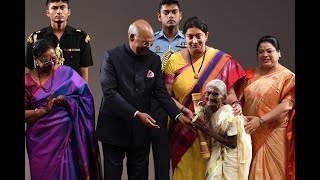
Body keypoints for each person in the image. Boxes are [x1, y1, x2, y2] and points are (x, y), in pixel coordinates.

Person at [95, 19, 193, 180]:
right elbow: (110, 93)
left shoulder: (153, 60)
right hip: (114, 129)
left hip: (141, 132)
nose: (148, 47)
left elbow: (161, 92)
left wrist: (178, 115)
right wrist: (136, 113)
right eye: (145, 43)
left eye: (151, 43)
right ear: (132, 37)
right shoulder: (111, 56)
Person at [163, 16, 246, 180]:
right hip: (183, 127)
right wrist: (184, 112)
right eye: (190, 36)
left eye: (198, 36)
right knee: (183, 172)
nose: (194, 41)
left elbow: (229, 94)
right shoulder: (173, 61)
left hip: (211, 129)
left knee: (210, 172)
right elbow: (166, 95)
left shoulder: (221, 60)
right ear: (184, 36)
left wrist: (236, 104)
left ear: (206, 36)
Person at [25, 39, 102, 180]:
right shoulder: (27, 82)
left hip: (67, 140)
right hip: (40, 143)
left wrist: (67, 100)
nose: (51, 63)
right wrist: (42, 111)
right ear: (36, 60)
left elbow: (85, 98)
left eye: (54, 59)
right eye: (45, 61)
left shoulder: (66, 73)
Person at [235, 35, 295, 180]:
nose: (265, 55)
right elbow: (239, 99)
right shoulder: (249, 75)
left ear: (279, 52)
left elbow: (286, 105)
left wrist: (260, 120)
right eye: (261, 52)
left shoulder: (287, 76)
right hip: (249, 132)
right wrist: (236, 106)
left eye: (269, 51)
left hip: (274, 134)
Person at [149, 0, 185, 179]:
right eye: (166, 12)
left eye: (174, 12)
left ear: (180, 15)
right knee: (161, 155)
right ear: (159, 16)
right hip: (157, 103)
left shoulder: (189, 40)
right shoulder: (150, 41)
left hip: (182, 102)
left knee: (185, 153)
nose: (170, 15)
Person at [192, 79, 252, 180]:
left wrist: (207, 130)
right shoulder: (207, 110)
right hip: (217, 153)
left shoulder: (229, 113)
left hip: (232, 158)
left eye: (215, 94)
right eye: (208, 93)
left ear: (224, 98)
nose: (210, 97)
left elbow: (232, 144)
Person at [25, 0, 93, 82]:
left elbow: (83, 74)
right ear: (47, 13)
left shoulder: (80, 38)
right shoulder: (36, 38)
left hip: (72, 92)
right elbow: (29, 75)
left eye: (62, 7)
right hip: (44, 92)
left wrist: (82, 93)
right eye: (54, 8)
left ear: (69, 12)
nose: (59, 12)